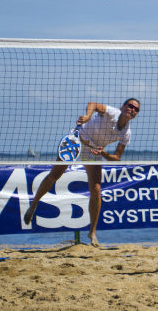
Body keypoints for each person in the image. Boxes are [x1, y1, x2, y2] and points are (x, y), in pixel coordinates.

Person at [23, 99, 140, 247]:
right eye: (130, 106)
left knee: (96, 189)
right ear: (123, 107)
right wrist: (88, 116)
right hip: (77, 139)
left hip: (94, 150)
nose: (132, 110)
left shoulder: (126, 133)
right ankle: (33, 205)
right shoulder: (112, 113)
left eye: (136, 109)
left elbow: (116, 158)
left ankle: (92, 233)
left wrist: (103, 153)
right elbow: (93, 104)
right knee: (55, 175)